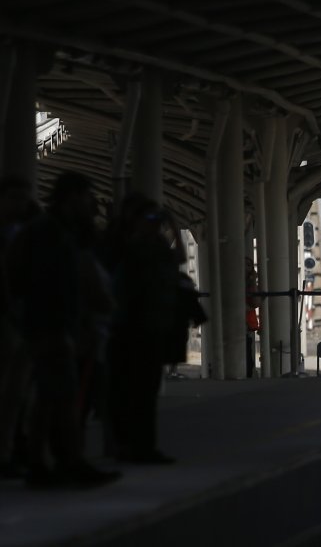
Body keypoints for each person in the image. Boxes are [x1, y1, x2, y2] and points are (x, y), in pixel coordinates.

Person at [11, 172, 119, 488]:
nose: (92, 204)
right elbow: (52, 283)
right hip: (51, 325)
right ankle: (66, 461)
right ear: (72, 197)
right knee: (62, 396)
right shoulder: (52, 234)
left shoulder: (53, 231)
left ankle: (41, 463)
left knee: (49, 398)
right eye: (88, 197)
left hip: (51, 324)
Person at [108, 196, 195, 464]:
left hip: (153, 325)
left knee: (146, 389)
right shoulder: (129, 247)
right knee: (134, 390)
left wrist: (173, 225)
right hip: (133, 328)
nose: (155, 225)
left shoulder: (155, 244)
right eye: (150, 220)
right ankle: (132, 446)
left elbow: (179, 257)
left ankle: (143, 445)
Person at [245, 258, 261, 378]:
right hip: (236, 322)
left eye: (248, 265)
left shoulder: (251, 284)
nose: (245, 267)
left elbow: (255, 302)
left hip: (247, 323)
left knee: (247, 353)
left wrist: (252, 282)